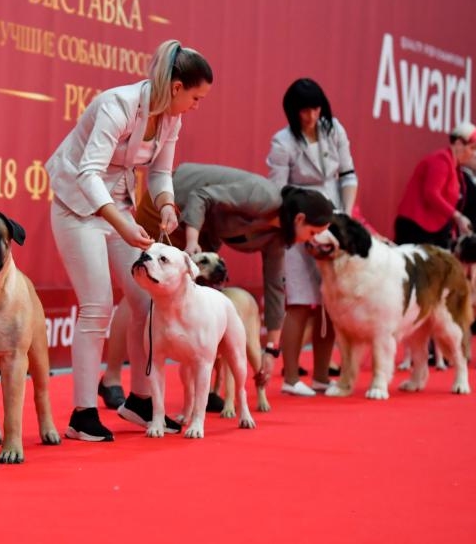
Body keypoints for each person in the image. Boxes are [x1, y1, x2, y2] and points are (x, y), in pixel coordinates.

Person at [46, 39, 213, 442]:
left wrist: (167, 203)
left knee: (144, 300)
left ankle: (140, 400)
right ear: (176, 87)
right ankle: (82, 413)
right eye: (195, 96)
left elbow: (159, 173)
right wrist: (121, 225)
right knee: (97, 305)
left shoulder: (172, 118)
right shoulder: (116, 105)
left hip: (117, 206)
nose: (196, 105)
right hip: (76, 205)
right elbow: (88, 172)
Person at [135, 165, 336, 389]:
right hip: (171, 205)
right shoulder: (263, 196)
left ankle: (208, 391)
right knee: (142, 290)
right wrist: (192, 242)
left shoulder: (277, 238)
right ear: (299, 219)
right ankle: (117, 380)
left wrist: (270, 349)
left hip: (201, 232)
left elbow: (275, 288)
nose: (313, 240)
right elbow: (201, 196)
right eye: (314, 232)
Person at [266, 78, 358, 396]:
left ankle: (321, 375)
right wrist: (298, 227)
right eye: (305, 110)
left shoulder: (335, 131)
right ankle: (291, 378)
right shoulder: (282, 142)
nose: (311, 115)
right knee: (301, 303)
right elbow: (277, 191)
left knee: (330, 303)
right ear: (293, 111)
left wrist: (345, 213)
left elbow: (348, 173)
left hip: (334, 224)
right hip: (298, 225)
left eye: (317, 108)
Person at [394, 122, 476, 248]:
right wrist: (457, 217)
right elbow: (431, 193)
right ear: (458, 144)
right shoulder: (440, 161)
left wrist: (453, 226)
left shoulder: (455, 168)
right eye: (472, 148)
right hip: (417, 227)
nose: (474, 154)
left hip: (434, 230)